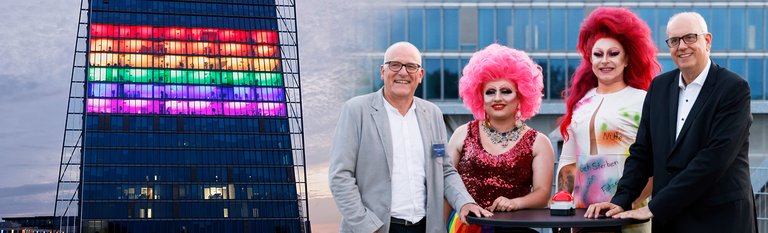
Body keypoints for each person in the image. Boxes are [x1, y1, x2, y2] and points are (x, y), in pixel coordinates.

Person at [585, 12, 757, 233]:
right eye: (674, 41)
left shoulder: (734, 89)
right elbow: (641, 153)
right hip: (670, 221)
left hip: (719, 219)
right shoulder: (659, 87)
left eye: (690, 38)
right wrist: (621, 199)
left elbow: (713, 160)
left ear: (707, 40)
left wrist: (654, 207)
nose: (681, 46)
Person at [329, 41, 492, 233]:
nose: (403, 72)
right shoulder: (356, 111)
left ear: (420, 75)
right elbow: (340, 176)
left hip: (426, 227)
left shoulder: (432, 114)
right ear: (383, 71)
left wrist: (464, 202)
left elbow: (445, 170)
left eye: (411, 66)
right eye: (395, 65)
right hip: (377, 227)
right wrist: (365, 226)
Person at [556, 7, 659, 232]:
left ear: (627, 59)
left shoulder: (644, 100)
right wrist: (563, 211)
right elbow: (568, 163)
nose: (605, 61)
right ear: (589, 59)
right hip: (581, 219)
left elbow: (654, 164)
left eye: (613, 53)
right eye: (598, 54)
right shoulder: (580, 103)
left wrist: (625, 204)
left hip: (627, 217)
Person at [445, 44, 554, 233]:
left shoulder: (539, 142)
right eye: (490, 92)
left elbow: (543, 195)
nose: (497, 98)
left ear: (521, 96)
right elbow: (446, 186)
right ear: (480, 97)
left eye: (505, 91)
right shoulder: (462, 134)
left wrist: (515, 203)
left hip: (513, 229)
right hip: (464, 228)